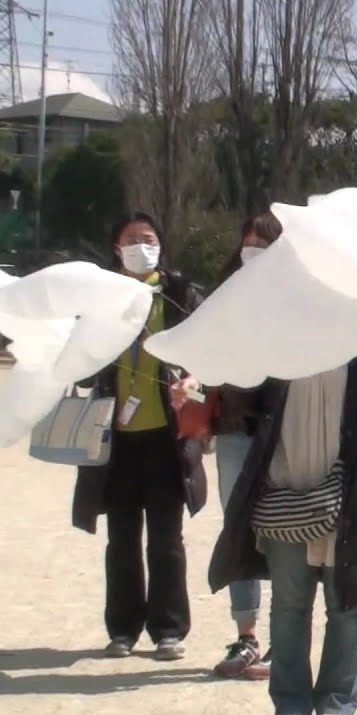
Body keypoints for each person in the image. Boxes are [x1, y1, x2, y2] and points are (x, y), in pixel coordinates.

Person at [208, 323, 357, 715]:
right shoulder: (279, 318)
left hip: (351, 483)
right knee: (289, 604)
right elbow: (248, 395)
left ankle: (336, 704)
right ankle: (290, 704)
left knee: (347, 603)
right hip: (285, 476)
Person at [72, 211, 206, 661]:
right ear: (116, 248)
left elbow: (211, 357)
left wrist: (192, 382)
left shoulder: (181, 294)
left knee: (167, 539)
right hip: (116, 439)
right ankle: (123, 628)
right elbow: (82, 366)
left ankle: (169, 629)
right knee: (122, 539)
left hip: (168, 439)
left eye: (148, 238)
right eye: (131, 239)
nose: (141, 246)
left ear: (160, 246)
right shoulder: (101, 297)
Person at [210, 211, 283, 680]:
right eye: (249, 240)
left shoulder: (296, 299)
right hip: (235, 428)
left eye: (264, 241)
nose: (253, 248)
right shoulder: (223, 295)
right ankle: (246, 637)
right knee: (238, 530)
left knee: (284, 532)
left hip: (281, 431)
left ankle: (285, 638)